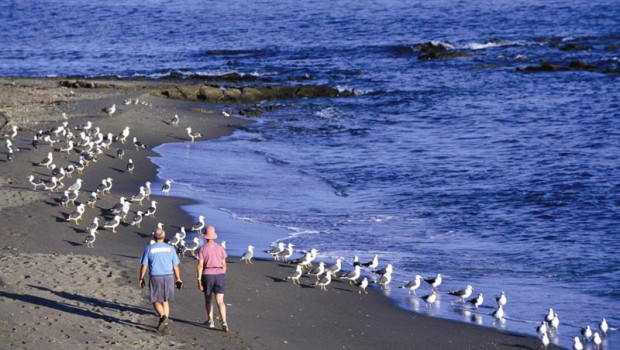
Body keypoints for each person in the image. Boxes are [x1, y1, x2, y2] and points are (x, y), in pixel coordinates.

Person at [139, 228, 183, 334]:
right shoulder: (170, 248)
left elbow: (144, 265)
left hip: (156, 276)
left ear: (154, 237)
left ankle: (163, 317)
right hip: (168, 276)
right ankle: (165, 322)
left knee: (155, 300)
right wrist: (178, 278)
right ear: (164, 236)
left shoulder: (149, 248)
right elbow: (175, 266)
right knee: (165, 300)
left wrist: (141, 278)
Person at [196, 225, 228, 331]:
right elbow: (224, 265)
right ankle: (224, 321)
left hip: (207, 274)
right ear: (214, 236)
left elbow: (200, 266)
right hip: (219, 274)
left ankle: (211, 321)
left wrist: (199, 280)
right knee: (220, 301)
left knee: (208, 299)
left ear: (205, 236)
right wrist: (222, 274)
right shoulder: (220, 248)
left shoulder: (202, 249)